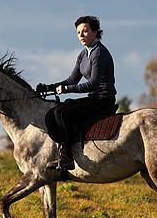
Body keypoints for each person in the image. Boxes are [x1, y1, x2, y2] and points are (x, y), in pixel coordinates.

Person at [36, 15, 116, 170]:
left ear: (95, 32)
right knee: (53, 114)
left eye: (85, 31)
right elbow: (72, 79)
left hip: (103, 100)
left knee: (62, 113)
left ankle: (67, 156)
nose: (81, 35)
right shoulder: (83, 54)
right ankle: (65, 151)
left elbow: (93, 84)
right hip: (93, 98)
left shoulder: (99, 53)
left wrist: (67, 90)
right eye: (78, 32)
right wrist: (49, 87)